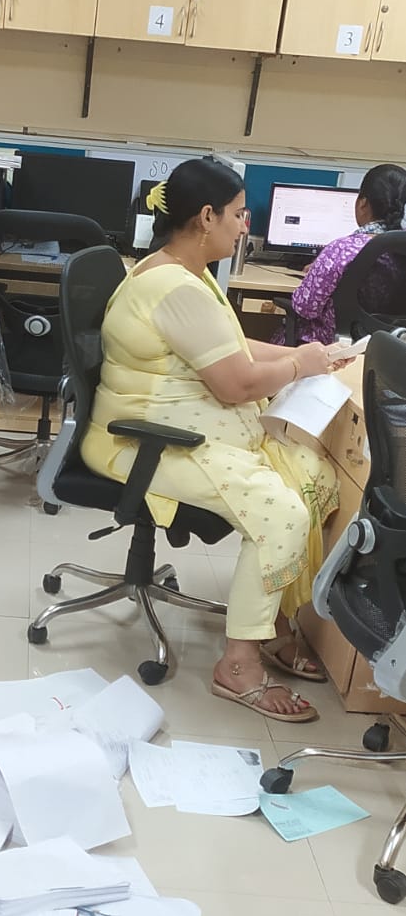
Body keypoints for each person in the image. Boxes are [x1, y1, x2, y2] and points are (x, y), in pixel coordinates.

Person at [81, 158, 353, 722]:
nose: (245, 225)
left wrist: (313, 357)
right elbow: (235, 384)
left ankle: (274, 623)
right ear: (207, 217)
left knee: (313, 475)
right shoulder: (173, 287)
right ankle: (238, 665)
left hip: (190, 431)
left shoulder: (188, 271)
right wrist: (299, 365)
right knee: (282, 512)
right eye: (238, 214)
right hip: (147, 442)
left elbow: (232, 346)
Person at [280, 163, 406, 345]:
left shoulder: (342, 250)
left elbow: (305, 308)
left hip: (333, 347)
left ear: (362, 203)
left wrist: (319, 272)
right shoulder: (399, 249)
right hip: (391, 347)